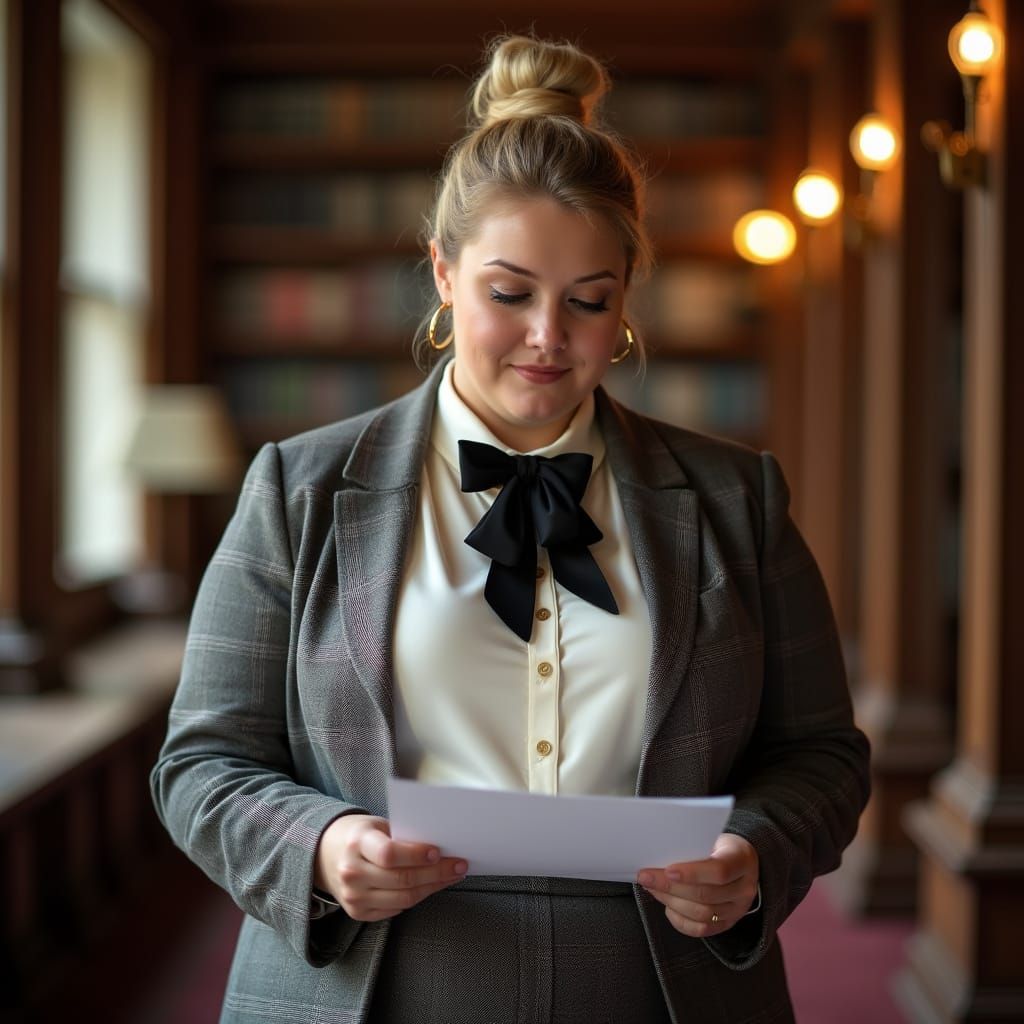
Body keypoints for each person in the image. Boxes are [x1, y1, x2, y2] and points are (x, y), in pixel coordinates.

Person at [151, 34, 870, 1024]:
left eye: (589, 301)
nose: (547, 336)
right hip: (368, 982)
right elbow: (200, 763)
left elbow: (822, 754)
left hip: (661, 986)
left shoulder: (737, 497)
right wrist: (319, 846)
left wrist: (755, 854)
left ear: (627, 295)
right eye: (509, 292)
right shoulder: (298, 489)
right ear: (443, 273)